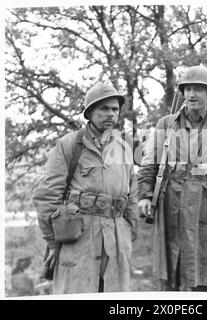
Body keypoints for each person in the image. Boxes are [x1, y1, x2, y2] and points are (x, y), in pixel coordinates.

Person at [137, 65, 207, 291]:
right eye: (187, 89)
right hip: (171, 202)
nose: (191, 95)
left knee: (205, 273)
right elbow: (149, 162)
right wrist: (145, 195)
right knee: (170, 275)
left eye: (198, 89)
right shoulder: (166, 124)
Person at [33, 82, 138, 294]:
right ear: (90, 113)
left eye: (114, 109)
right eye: (104, 109)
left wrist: (128, 232)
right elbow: (47, 196)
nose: (110, 114)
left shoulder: (124, 148)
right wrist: (53, 242)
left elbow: (132, 194)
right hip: (78, 239)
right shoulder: (70, 144)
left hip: (116, 240)